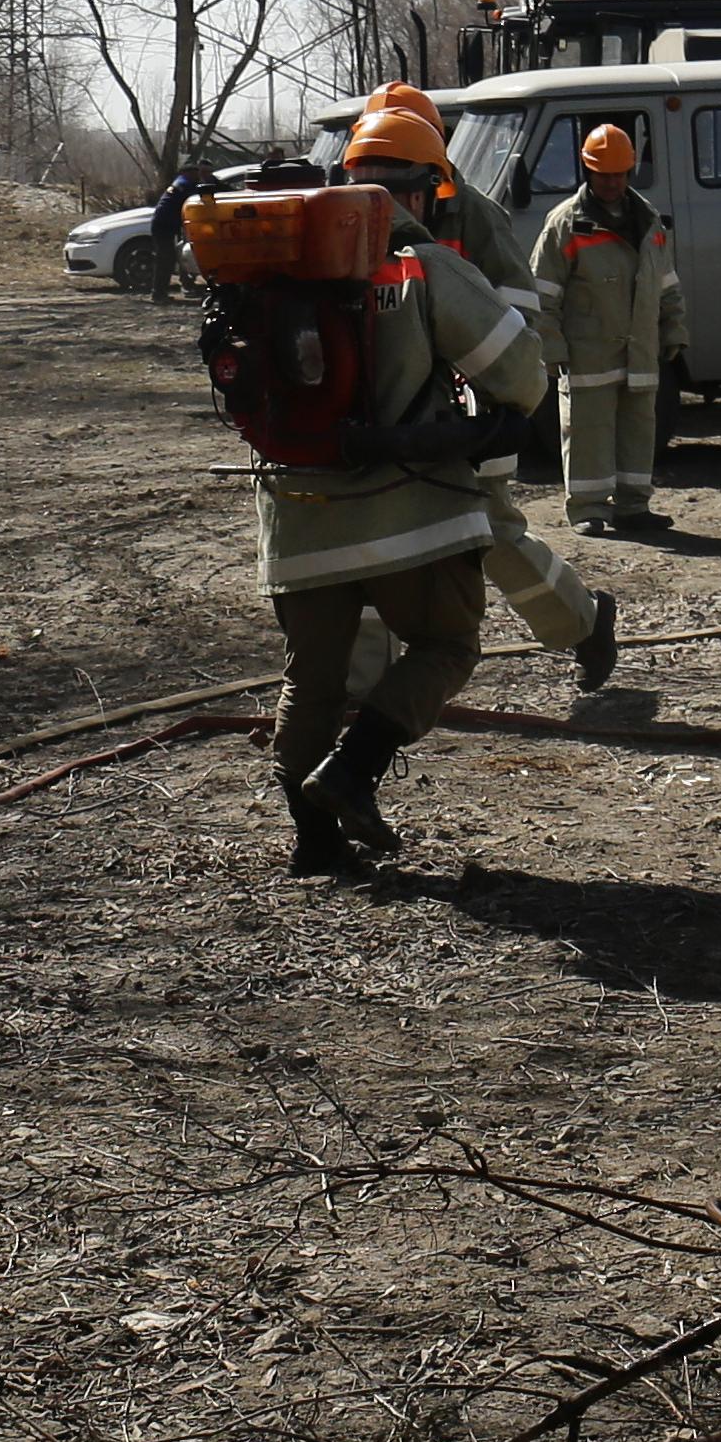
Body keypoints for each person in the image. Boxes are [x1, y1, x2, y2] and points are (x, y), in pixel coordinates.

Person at [260, 110, 561, 874]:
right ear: (427, 191)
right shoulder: (422, 264)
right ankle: (353, 770)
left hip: (296, 522)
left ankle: (314, 844)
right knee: (448, 643)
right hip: (410, 514)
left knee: (312, 681)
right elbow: (521, 374)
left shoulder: (276, 261)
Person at [360, 82, 618, 684]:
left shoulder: (474, 215)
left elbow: (516, 314)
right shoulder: (347, 215)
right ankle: (361, 688)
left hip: (465, 405)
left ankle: (583, 622)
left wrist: (489, 396)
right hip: (384, 403)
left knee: (490, 530)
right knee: (364, 540)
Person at [527, 121, 686, 536]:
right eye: (604, 174)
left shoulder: (648, 220)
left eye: (619, 174)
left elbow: (665, 282)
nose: (612, 182)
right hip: (588, 353)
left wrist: (674, 329)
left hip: (640, 349)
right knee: (587, 432)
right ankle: (588, 508)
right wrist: (551, 348)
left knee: (638, 430)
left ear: (630, 171)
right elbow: (543, 294)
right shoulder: (566, 223)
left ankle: (634, 506)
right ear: (588, 171)